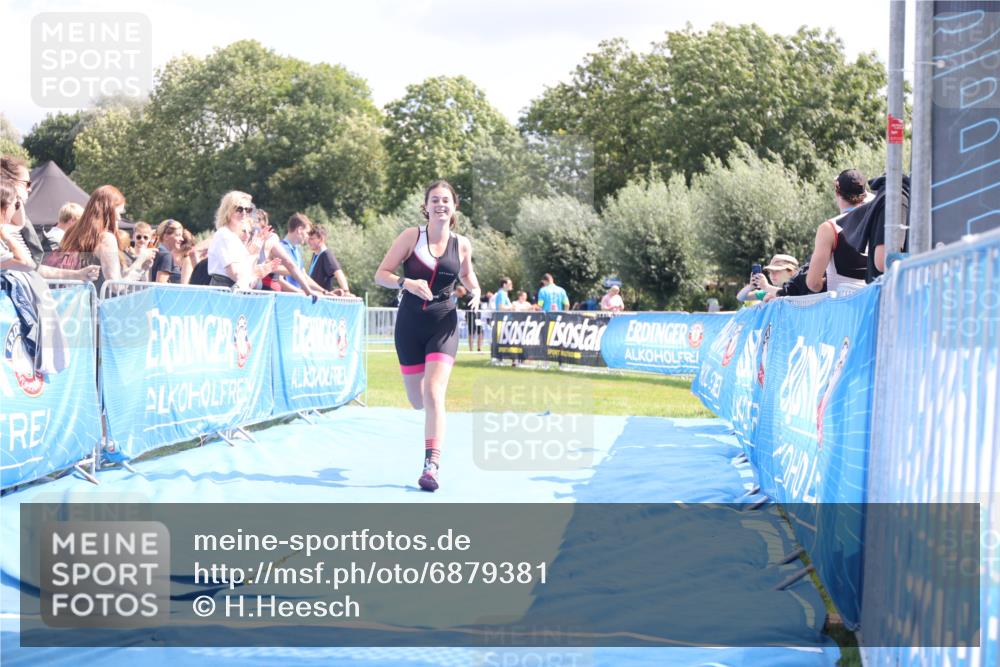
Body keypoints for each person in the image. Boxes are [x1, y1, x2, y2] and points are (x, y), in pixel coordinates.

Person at [374, 180, 481, 492]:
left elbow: (467, 273)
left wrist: (474, 289)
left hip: (444, 324)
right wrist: (407, 283)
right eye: (435, 200)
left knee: (434, 393)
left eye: (446, 200)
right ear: (426, 206)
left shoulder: (462, 245)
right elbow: (381, 275)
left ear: (454, 207)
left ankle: (431, 466)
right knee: (417, 400)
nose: (440, 205)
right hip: (409, 325)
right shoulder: (411, 236)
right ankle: (429, 441)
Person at [1, 155, 99, 281]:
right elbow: (26, 264)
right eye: (27, 183)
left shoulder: (18, 226)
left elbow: (33, 268)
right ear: (9, 182)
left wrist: (77, 274)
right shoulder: (7, 230)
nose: (30, 188)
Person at [58, 185, 155, 288]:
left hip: (72, 299)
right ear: (110, 209)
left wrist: (140, 266)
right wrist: (141, 259)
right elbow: (116, 286)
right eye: (119, 212)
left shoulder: (72, 233)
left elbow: (117, 277)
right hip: (95, 301)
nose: (119, 218)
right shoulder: (105, 238)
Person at [805, 169, 872, 293]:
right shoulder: (877, 223)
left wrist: (822, 284)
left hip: (843, 306)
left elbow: (813, 283)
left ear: (837, 193)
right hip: (873, 304)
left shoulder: (829, 228)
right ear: (864, 194)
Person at [206, 191, 279, 289]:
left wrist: (256, 257)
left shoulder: (234, 237)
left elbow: (244, 273)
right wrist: (254, 262)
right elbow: (236, 274)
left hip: (234, 289)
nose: (244, 213)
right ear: (228, 210)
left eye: (248, 210)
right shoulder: (224, 235)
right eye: (239, 209)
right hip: (225, 289)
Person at [306, 226, 350, 295]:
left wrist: (346, 292)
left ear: (321, 239)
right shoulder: (315, 254)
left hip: (324, 299)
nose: (308, 241)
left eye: (312, 239)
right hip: (315, 296)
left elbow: (338, 273)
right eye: (308, 238)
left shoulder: (326, 254)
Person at [151, 219, 185, 284]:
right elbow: (161, 285)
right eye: (178, 235)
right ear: (166, 236)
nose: (182, 239)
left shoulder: (155, 251)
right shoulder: (166, 255)